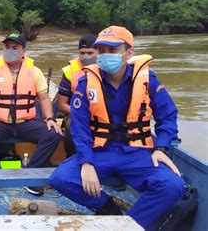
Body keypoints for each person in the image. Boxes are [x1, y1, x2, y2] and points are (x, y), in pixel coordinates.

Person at [49, 26, 185, 230]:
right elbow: (80, 126)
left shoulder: (147, 79)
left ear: (129, 53)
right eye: (101, 50)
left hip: (138, 152)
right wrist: (86, 161)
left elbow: (168, 115)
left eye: (112, 50)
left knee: (173, 185)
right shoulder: (87, 82)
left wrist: (161, 147)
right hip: (99, 151)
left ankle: (130, 224)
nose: (105, 55)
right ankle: (108, 208)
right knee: (61, 178)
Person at [0, 32, 63, 196]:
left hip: (26, 123)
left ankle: (30, 174)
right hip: (0, 123)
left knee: (54, 134)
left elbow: (44, 99)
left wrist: (49, 118)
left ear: (23, 51)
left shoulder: (34, 71)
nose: (10, 50)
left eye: (15, 47)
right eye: (7, 47)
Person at [57, 34, 98, 157]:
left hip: (102, 112)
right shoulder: (70, 71)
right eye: (82, 53)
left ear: (99, 51)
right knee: (72, 127)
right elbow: (62, 105)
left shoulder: (108, 67)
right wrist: (82, 113)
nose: (85, 56)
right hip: (75, 112)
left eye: (90, 53)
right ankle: (72, 158)